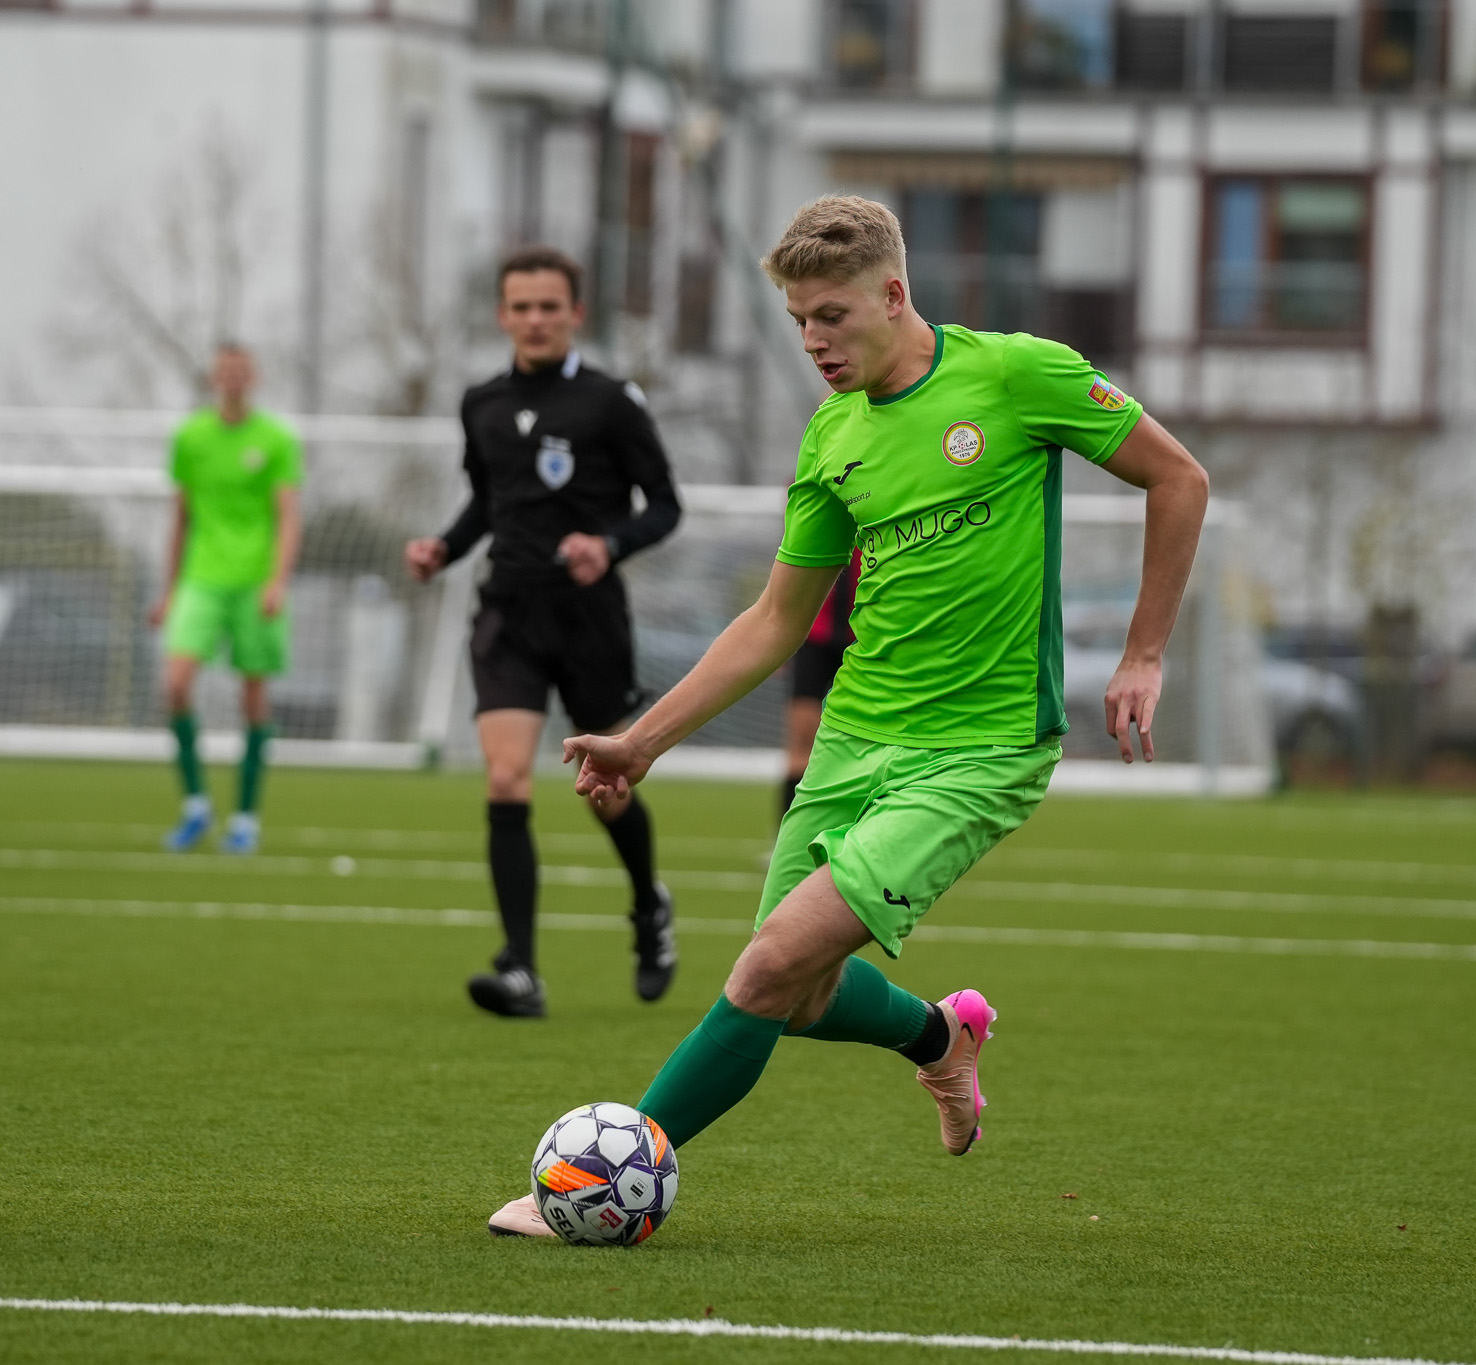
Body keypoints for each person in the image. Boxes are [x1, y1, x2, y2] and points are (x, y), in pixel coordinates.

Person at [485, 194, 1209, 1237]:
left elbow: (1178, 478)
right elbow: (775, 620)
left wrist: (1143, 651)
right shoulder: (832, 435)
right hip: (851, 741)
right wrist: (640, 743)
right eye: (798, 323)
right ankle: (940, 1041)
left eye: (831, 316)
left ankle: (591, 1182)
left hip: (979, 752)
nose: (814, 342)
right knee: (799, 993)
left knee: (766, 967)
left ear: (893, 294)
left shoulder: (1017, 375)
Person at [405, 246, 684, 1017]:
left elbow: (665, 504)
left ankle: (648, 904)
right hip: (509, 614)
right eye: (521, 307)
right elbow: (487, 502)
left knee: (606, 791)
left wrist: (609, 545)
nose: (535, 319)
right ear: (502, 315)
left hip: (590, 621)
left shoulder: (611, 402)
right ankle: (522, 970)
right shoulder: (481, 403)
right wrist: (444, 548)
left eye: (548, 307)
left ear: (575, 314)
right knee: (505, 778)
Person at [153, 343, 303, 856]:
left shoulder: (276, 439)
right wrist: (169, 590)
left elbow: (288, 516)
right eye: (225, 371)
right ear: (214, 378)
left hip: (255, 581)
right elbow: (180, 518)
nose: (233, 378)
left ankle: (244, 818)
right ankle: (196, 805)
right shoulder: (190, 437)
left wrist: (278, 581)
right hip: (201, 578)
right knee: (175, 684)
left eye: (242, 370)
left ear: (253, 376)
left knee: (253, 698)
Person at [779, 553, 858, 818]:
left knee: (865, 743)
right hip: (815, 639)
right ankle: (786, 833)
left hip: (866, 640)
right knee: (802, 742)